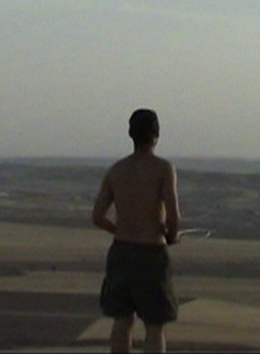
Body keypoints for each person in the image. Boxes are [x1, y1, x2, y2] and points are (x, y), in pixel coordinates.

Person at [92, 108, 181, 353]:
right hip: (151, 254)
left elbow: (97, 217)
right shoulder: (163, 168)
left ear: (131, 134)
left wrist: (119, 229)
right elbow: (174, 215)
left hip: (121, 252)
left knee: (122, 320)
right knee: (154, 325)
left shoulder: (116, 170)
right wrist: (171, 236)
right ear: (156, 135)